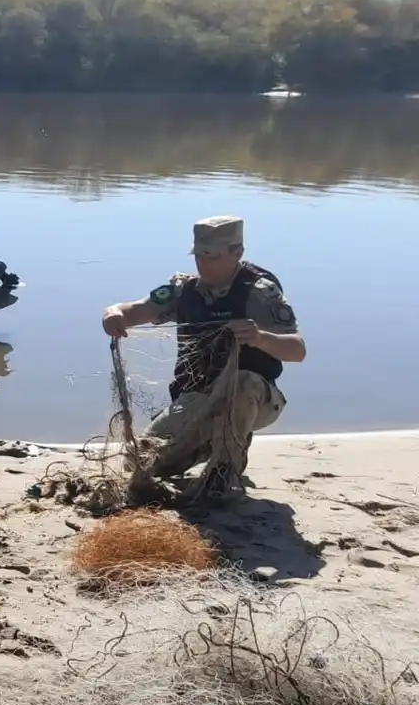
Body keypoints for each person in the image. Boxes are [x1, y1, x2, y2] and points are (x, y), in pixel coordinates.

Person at [100, 215, 306, 502]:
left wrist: (259, 337)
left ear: (238, 253)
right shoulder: (183, 290)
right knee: (140, 462)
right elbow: (134, 309)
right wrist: (114, 313)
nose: (203, 264)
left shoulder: (259, 293)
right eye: (199, 256)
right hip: (196, 398)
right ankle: (207, 443)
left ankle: (224, 470)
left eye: (213, 257)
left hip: (255, 398)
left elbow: (297, 350)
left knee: (242, 381)